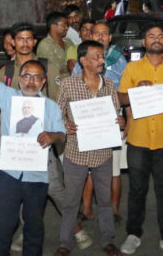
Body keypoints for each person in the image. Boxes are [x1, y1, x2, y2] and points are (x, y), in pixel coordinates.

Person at [116, 23, 163, 255]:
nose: (156, 39)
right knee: (137, 189)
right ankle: (133, 233)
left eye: (160, 36)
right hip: (138, 139)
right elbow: (120, 98)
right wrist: (134, 89)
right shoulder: (133, 68)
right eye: (151, 36)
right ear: (144, 42)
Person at [0, 59, 65, 256]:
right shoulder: (8, 97)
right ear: (19, 79)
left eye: (37, 77)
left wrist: (52, 136)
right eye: (27, 75)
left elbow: (62, 134)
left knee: (34, 225)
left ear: (43, 82)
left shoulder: (51, 106)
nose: (31, 81)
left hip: (37, 174)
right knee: (2, 223)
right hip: (8, 172)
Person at [54, 40, 123, 256]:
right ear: (83, 61)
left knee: (104, 200)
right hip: (76, 152)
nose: (102, 60)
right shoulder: (68, 85)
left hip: (103, 153)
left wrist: (120, 121)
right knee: (71, 201)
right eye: (97, 57)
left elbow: (116, 113)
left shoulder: (109, 85)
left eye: (102, 56)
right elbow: (57, 114)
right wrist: (65, 126)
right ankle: (65, 243)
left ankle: (107, 240)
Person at [73, 20, 129, 227]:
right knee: (88, 170)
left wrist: (127, 121)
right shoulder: (82, 60)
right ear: (90, 36)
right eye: (97, 33)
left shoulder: (119, 60)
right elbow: (72, 91)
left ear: (110, 38)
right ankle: (86, 209)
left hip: (113, 124)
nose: (101, 37)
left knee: (114, 171)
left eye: (105, 34)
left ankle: (114, 210)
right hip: (87, 125)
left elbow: (126, 92)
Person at [39, 11, 74, 101]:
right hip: (55, 91)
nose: (67, 28)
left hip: (72, 89)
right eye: (64, 25)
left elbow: (77, 66)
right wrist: (70, 67)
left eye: (67, 25)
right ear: (53, 26)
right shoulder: (45, 45)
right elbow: (54, 71)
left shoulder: (68, 42)